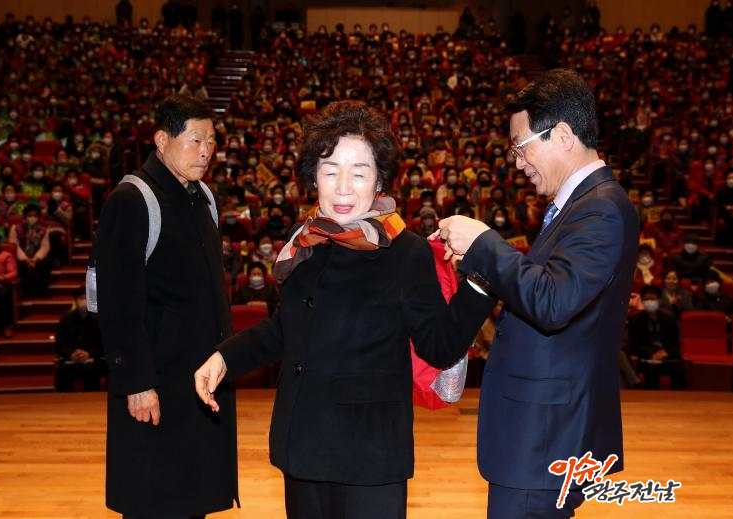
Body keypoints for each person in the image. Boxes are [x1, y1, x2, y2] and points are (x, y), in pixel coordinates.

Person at [194, 101, 490, 519]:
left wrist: (479, 282)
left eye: (359, 172)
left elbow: (439, 346)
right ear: (313, 176)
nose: (344, 188)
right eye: (331, 171)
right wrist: (225, 357)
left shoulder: (405, 252)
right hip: (302, 446)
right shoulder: (305, 241)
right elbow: (285, 329)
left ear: (380, 180)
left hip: (368, 457)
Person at [435, 69, 639, 517]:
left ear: (562, 135)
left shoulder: (600, 209)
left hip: (545, 438)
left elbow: (553, 301)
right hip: (542, 435)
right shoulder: (581, 207)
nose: (517, 162)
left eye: (520, 146)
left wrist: (484, 242)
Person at [95, 95, 237, 518]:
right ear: (161, 140)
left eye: (211, 142)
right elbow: (117, 304)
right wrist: (136, 382)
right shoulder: (132, 200)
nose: (206, 151)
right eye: (195, 140)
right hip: (156, 385)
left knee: (193, 500)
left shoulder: (203, 197)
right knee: (154, 501)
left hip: (198, 381)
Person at [628, 285, 687, 390]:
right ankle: (651, 398)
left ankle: (678, 398)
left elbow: (675, 343)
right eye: (646, 299)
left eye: (653, 299)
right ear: (642, 301)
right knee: (652, 369)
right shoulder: (635, 320)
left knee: (680, 369)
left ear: (659, 300)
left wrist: (666, 353)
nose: (649, 302)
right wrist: (652, 353)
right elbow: (636, 344)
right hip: (646, 358)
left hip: (667, 357)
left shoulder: (670, 319)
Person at [54, 287, 105, 392]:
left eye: (87, 298)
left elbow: (103, 344)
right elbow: (59, 344)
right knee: (62, 371)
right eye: (81, 298)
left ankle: (92, 399)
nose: (84, 301)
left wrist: (89, 354)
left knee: (91, 369)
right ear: (75, 300)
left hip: (93, 359)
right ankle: (63, 400)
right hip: (71, 359)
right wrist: (71, 354)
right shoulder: (66, 319)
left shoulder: (99, 319)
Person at [8, 204, 52, 297]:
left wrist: (35, 259)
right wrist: (26, 259)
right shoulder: (16, 228)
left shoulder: (43, 229)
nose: (32, 218)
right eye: (30, 215)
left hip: (37, 256)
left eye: (35, 215)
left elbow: (45, 246)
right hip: (22, 256)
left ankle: (43, 289)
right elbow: (14, 245)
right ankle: (25, 290)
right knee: (20, 265)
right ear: (25, 216)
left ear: (38, 217)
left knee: (46, 263)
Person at [0, 228, 18, 337]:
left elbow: (13, 273)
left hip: (0, 283)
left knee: (2, 291)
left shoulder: (6, 255)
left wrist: (0, 277)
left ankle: (6, 325)